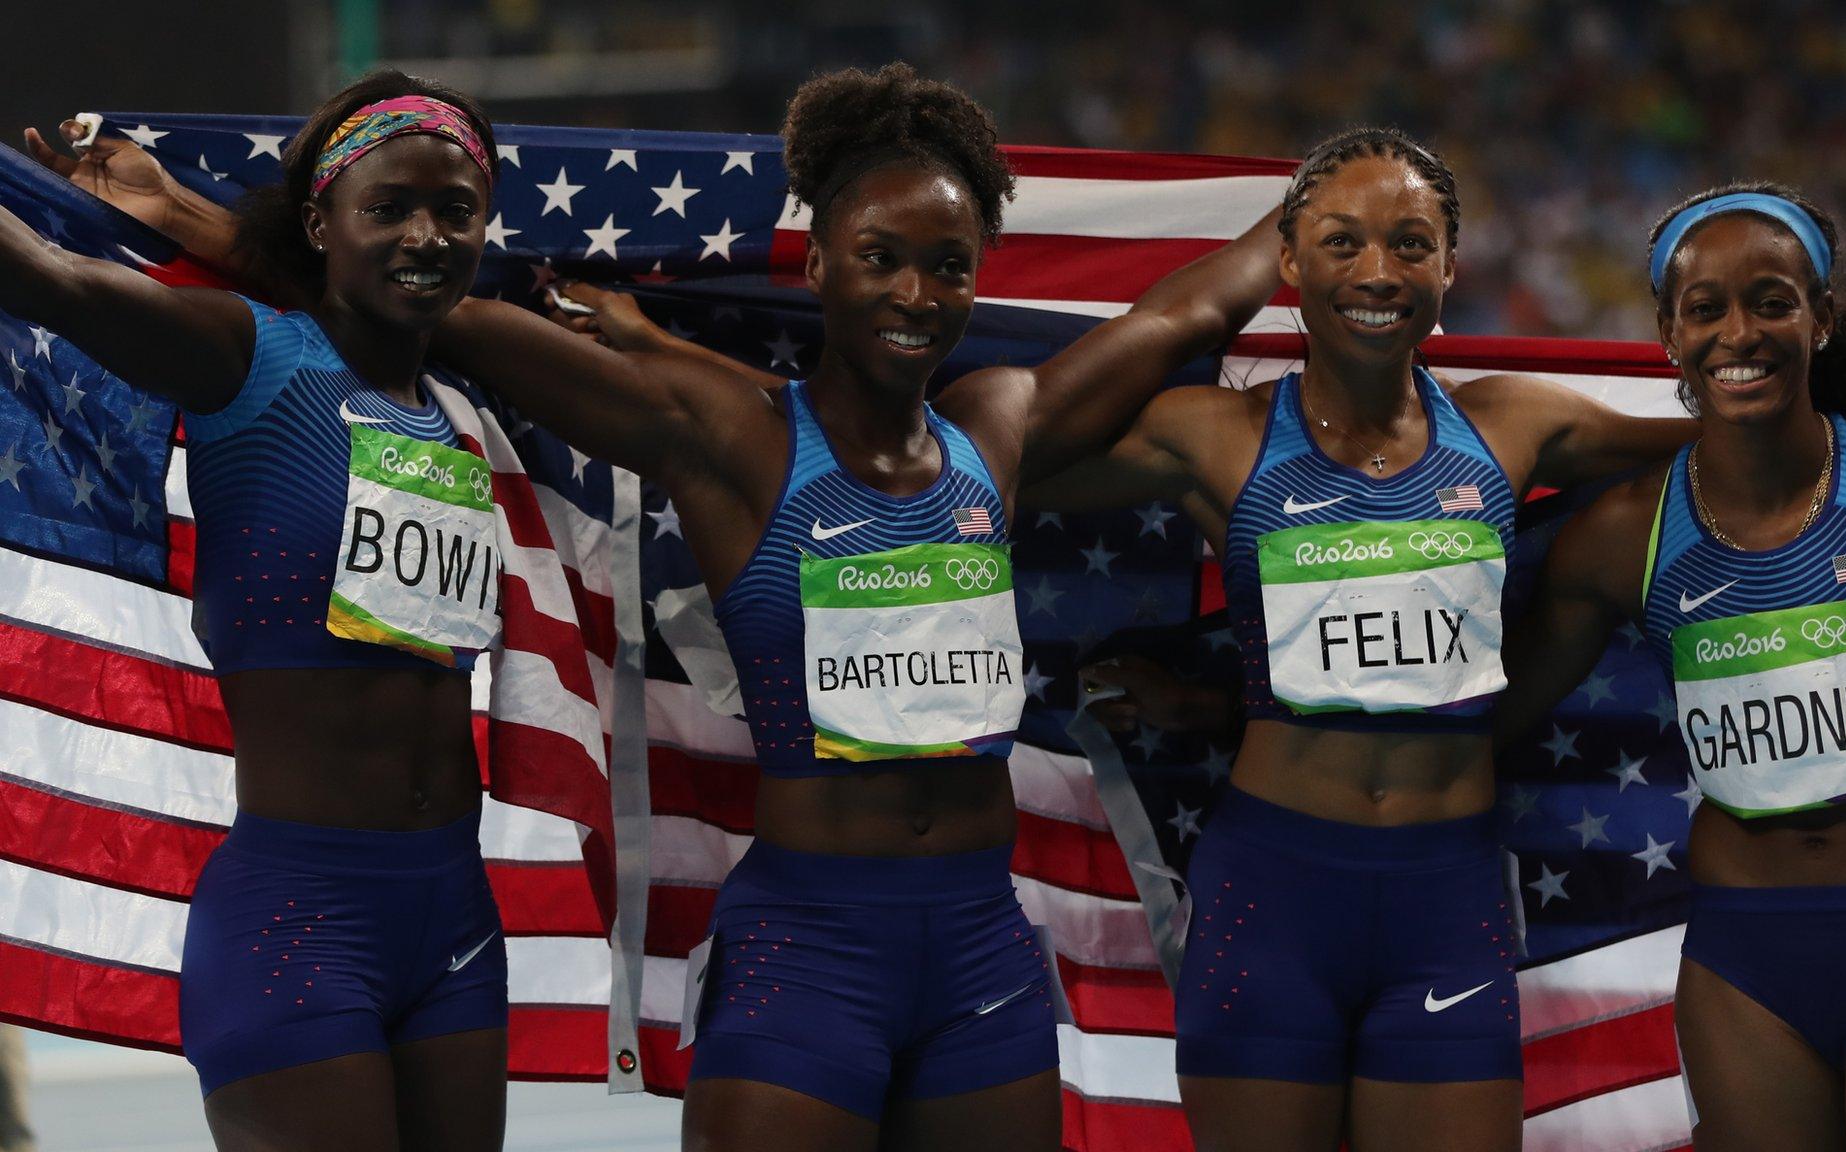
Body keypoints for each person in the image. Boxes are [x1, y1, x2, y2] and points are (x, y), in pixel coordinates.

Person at [424, 63, 1285, 1151]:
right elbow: (443, 316)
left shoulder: (996, 429)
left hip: (979, 955)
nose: (914, 295)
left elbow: (1185, 314)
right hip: (807, 954)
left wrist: (1319, 203)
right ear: (820, 259)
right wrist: (250, 233)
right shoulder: (735, 440)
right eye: (879, 258)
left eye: (947, 268)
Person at [1024, 126, 1696, 1152]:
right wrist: (1217, 292)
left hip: (1445, 900)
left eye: (1408, 242)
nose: (1377, 272)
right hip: (1270, 897)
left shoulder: (1513, 425)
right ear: (1288, 262)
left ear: (1448, 266)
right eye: (1338, 243)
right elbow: (1008, 456)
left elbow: (1741, 436)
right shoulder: (1219, 434)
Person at [7, 72, 510, 1151]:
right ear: (322, 221)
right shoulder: (249, 357)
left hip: (459, 922)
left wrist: (191, 214)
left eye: (454, 210)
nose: (426, 234)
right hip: (299, 917)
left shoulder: (473, 402)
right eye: (388, 209)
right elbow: (50, 283)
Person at [1497, 182, 1846, 1151]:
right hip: (1742, 967)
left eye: (1770, 302)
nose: (1736, 332)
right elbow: (1480, 711)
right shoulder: (1621, 540)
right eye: (1704, 309)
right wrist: (1229, 715)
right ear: (1667, 333)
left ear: (1819, 319)